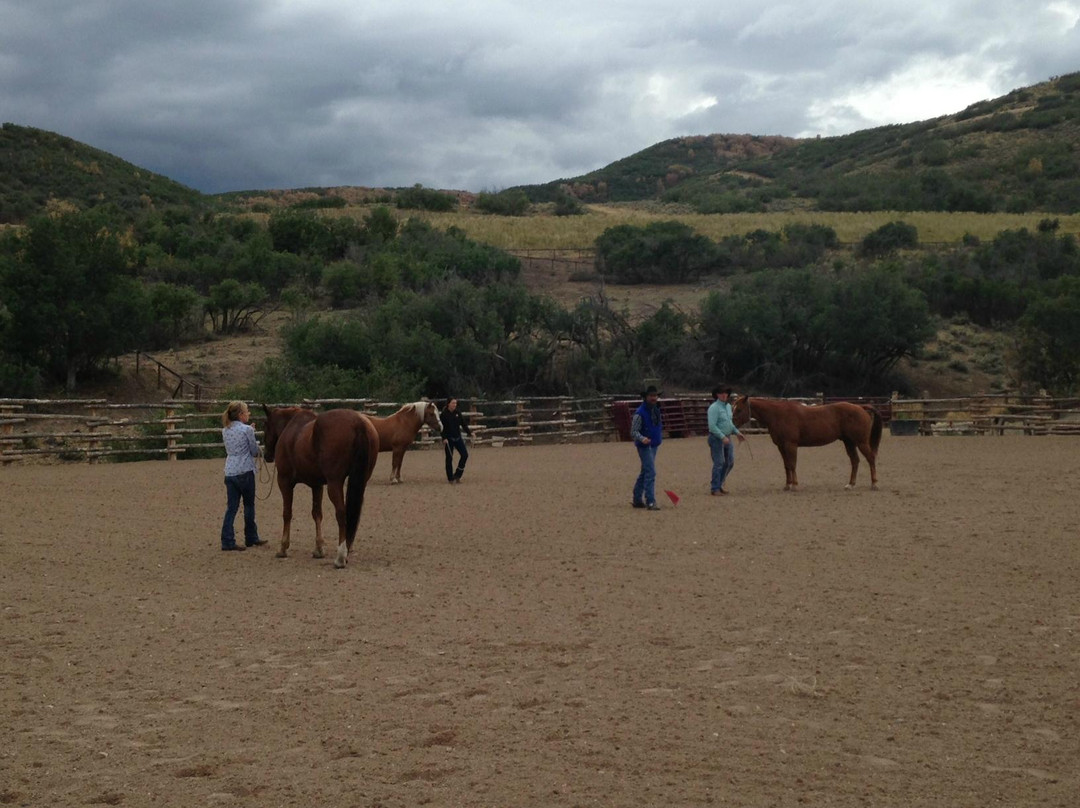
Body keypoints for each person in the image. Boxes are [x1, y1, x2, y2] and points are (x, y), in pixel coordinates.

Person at [220, 400, 265, 551]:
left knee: (231, 508)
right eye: (247, 412)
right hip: (245, 471)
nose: (248, 414)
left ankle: (227, 540)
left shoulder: (225, 430)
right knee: (249, 506)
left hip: (230, 471)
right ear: (241, 415)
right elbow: (253, 451)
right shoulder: (247, 430)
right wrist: (253, 436)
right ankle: (251, 537)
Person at [707, 386, 745, 495]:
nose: (724, 395)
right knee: (719, 462)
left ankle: (720, 483)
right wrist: (722, 436)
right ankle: (715, 488)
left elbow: (729, 423)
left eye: (725, 393)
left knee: (730, 462)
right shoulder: (714, 408)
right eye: (721, 393)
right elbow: (712, 426)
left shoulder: (728, 406)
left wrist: (737, 432)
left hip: (727, 436)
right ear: (717, 395)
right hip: (716, 438)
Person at [631, 385, 663, 510]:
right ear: (645, 397)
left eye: (655, 395)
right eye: (651, 396)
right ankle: (650, 500)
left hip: (654, 444)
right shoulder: (639, 413)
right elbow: (633, 431)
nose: (653, 398)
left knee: (645, 471)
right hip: (645, 446)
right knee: (650, 472)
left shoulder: (656, 410)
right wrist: (642, 438)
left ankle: (637, 498)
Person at [441, 397, 472, 483]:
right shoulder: (444, 414)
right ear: (448, 404)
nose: (455, 405)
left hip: (458, 437)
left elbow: (463, 424)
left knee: (465, 455)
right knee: (449, 458)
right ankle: (450, 478)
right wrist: (444, 438)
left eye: (455, 403)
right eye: (453, 403)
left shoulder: (457, 413)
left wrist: (470, 433)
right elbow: (441, 428)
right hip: (449, 439)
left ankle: (458, 474)